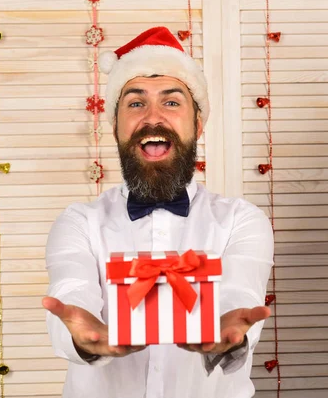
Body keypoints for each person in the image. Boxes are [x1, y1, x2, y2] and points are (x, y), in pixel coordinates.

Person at [42, 26, 274, 398]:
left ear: (197, 123)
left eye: (171, 101)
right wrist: (84, 338)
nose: (152, 118)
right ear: (115, 125)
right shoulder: (78, 223)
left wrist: (227, 334)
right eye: (135, 103)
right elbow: (73, 291)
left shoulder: (242, 221)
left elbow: (238, 296)